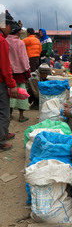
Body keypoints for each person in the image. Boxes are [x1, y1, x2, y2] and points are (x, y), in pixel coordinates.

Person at [0, 11, 20, 151]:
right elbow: (5, 67)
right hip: (1, 82)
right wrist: (12, 85)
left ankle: (4, 133)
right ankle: (1, 141)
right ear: (3, 25)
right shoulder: (1, 41)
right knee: (4, 112)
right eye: (10, 26)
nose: (11, 30)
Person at [7, 26, 31, 122]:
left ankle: (9, 115)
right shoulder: (20, 43)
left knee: (9, 94)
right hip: (20, 72)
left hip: (9, 72)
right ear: (17, 32)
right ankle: (21, 116)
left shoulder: (5, 41)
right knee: (21, 94)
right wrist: (27, 71)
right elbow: (24, 58)